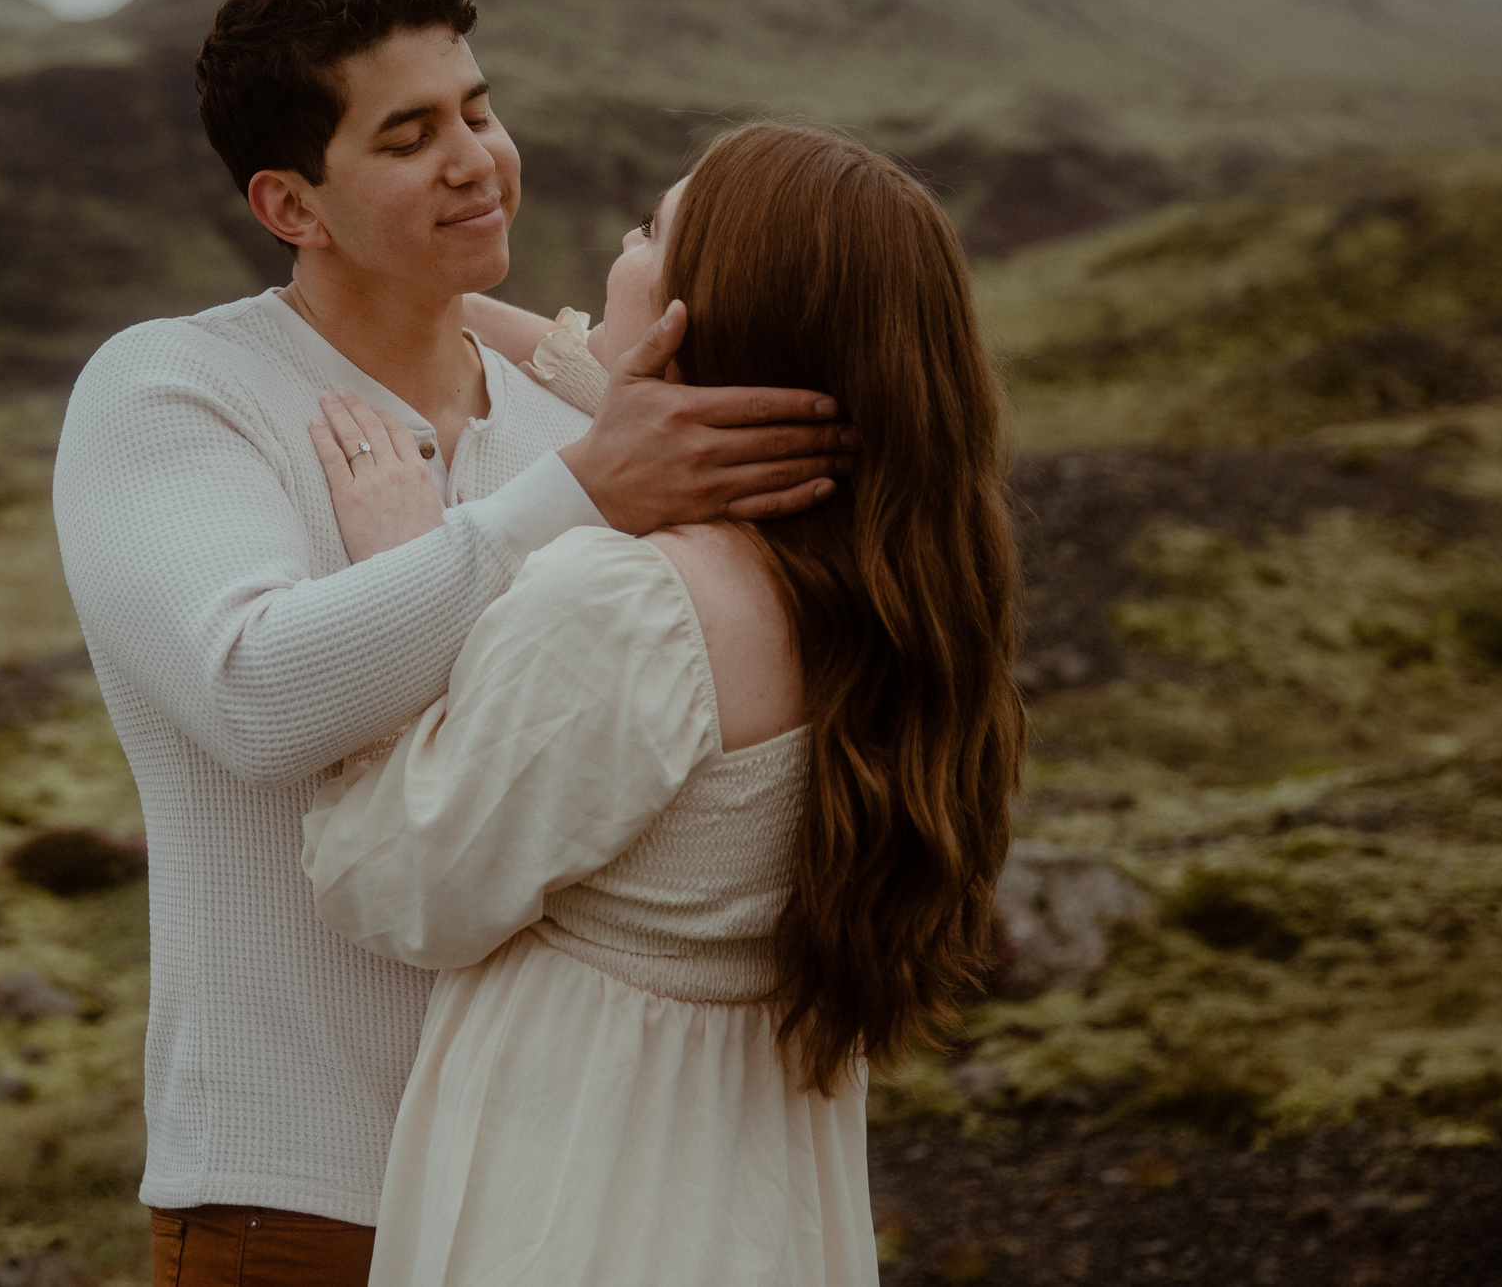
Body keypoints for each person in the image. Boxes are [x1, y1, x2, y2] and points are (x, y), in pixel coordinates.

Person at [51, 0, 855, 1286]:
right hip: (301, 1195)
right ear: (289, 203)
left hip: (562, 1195)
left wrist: (569, 412)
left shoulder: (568, 417)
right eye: (409, 134)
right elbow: (255, 693)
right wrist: (580, 490)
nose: (476, 157)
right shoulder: (174, 390)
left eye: (477, 110)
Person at [301, 123, 1026, 1286]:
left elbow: (399, 886)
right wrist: (470, 322)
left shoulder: (633, 602)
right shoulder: (885, 583)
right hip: (752, 1175)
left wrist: (397, 576)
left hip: (578, 1172)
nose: (620, 250)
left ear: (708, 316)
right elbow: (624, 387)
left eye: (651, 233)